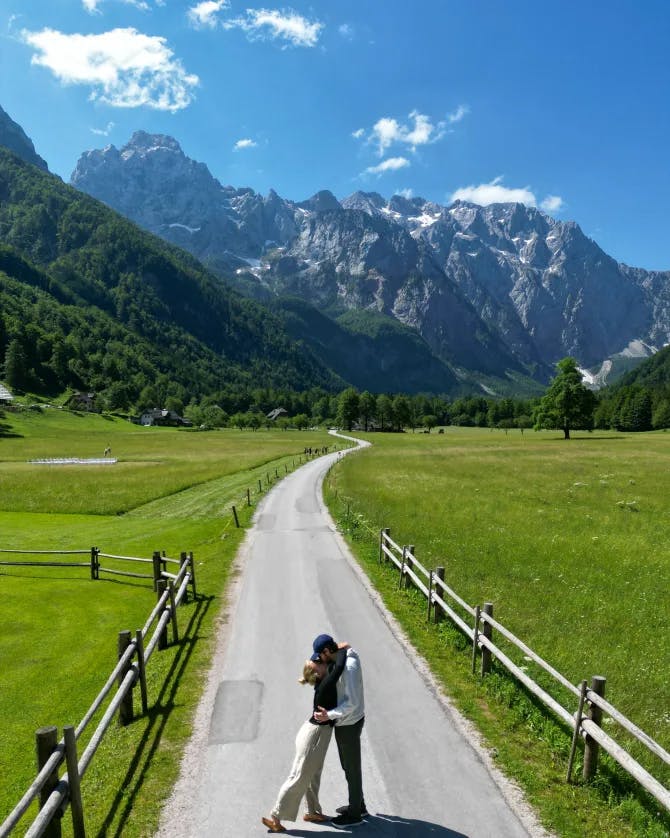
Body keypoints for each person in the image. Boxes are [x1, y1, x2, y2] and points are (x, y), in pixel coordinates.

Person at [261, 642, 349, 833]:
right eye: (318, 661)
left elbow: (333, 664)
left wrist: (332, 649)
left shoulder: (320, 679)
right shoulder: (325, 683)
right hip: (315, 735)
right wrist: (341, 649)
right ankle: (275, 817)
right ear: (317, 671)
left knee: (313, 773)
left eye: (321, 658)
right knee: (299, 776)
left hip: (316, 732)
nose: (323, 660)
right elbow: (339, 666)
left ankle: (312, 811)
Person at [312, 634, 367, 828]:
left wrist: (330, 714)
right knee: (347, 766)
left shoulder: (349, 668)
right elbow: (345, 647)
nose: (320, 659)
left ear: (328, 651)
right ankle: (358, 805)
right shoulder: (345, 654)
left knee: (352, 768)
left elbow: (350, 703)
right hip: (347, 722)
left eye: (321, 655)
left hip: (349, 723)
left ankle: (355, 815)